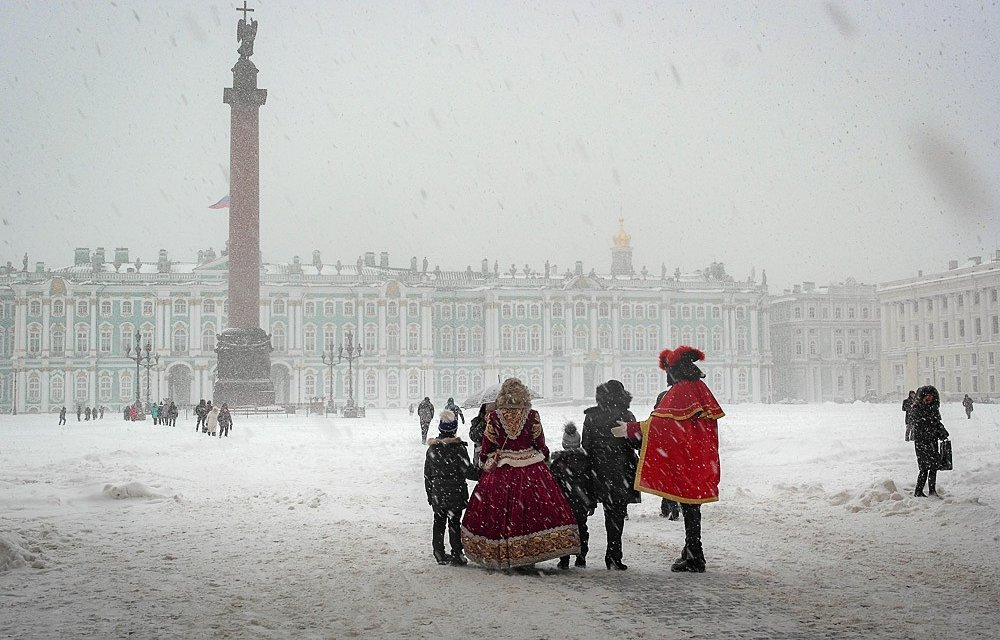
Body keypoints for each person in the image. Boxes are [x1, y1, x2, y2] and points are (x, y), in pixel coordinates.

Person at [616, 346, 725, 573]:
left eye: (668, 371)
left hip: (686, 458)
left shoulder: (681, 391)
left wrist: (630, 429)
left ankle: (695, 555)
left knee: (690, 507)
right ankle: (692, 550)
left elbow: (660, 425)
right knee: (692, 507)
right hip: (700, 457)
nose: (667, 376)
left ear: (675, 371)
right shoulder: (699, 388)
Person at [461, 378, 580, 570]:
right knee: (532, 511)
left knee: (500, 512)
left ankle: (503, 551)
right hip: (531, 469)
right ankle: (529, 553)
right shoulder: (532, 415)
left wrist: (488, 459)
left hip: (502, 470)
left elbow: (487, 447)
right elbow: (540, 444)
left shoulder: (494, 417)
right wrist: (542, 459)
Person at [582, 379, 640, 570]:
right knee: (616, 515)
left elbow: (586, 445)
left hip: (597, 470)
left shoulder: (591, 416)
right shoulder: (626, 415)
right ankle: (614, 555)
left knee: (585, 514)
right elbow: (636, 443)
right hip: (621, 470)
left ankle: (580, 553)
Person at [424, 409, 478, 566]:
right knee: (454, 523)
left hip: (437, 492)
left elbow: (427, 474)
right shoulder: (458, 449)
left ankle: (439, 552)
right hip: (455, 491)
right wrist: (482, 471)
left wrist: (430, 494)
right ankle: (456, 553)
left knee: (438, 522)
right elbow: (468, 471)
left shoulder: (432, 449)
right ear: (454, 430)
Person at [549, 422, 595, 569]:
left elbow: (553, 486)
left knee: (565, 529)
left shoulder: (557, 462)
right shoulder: (586, 461)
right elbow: (591, 484)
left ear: (563, 444)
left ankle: (564, 559)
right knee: (582, 528)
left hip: (564, 502)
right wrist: (591, 502)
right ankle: (581, 557)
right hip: (581, 501)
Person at [911, 385, 949, 497]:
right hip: (922, 443)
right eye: (926, 395)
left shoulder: (934, 409)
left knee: (933, 467)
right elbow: (919, 425)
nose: (929, 398)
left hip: (932, 441)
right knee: (923, 468)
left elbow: (936, 423)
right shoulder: (917, 409)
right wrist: (930, 429)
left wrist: (942, 432)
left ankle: (932, 490)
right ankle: (918, 491)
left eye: (931, 396)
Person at [468, 403, 493, 468]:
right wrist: (484, 423)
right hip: (480, 459)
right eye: (489, 411)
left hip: (495, 460)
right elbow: (474, 436)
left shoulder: (501, 421)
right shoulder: (477, 421)